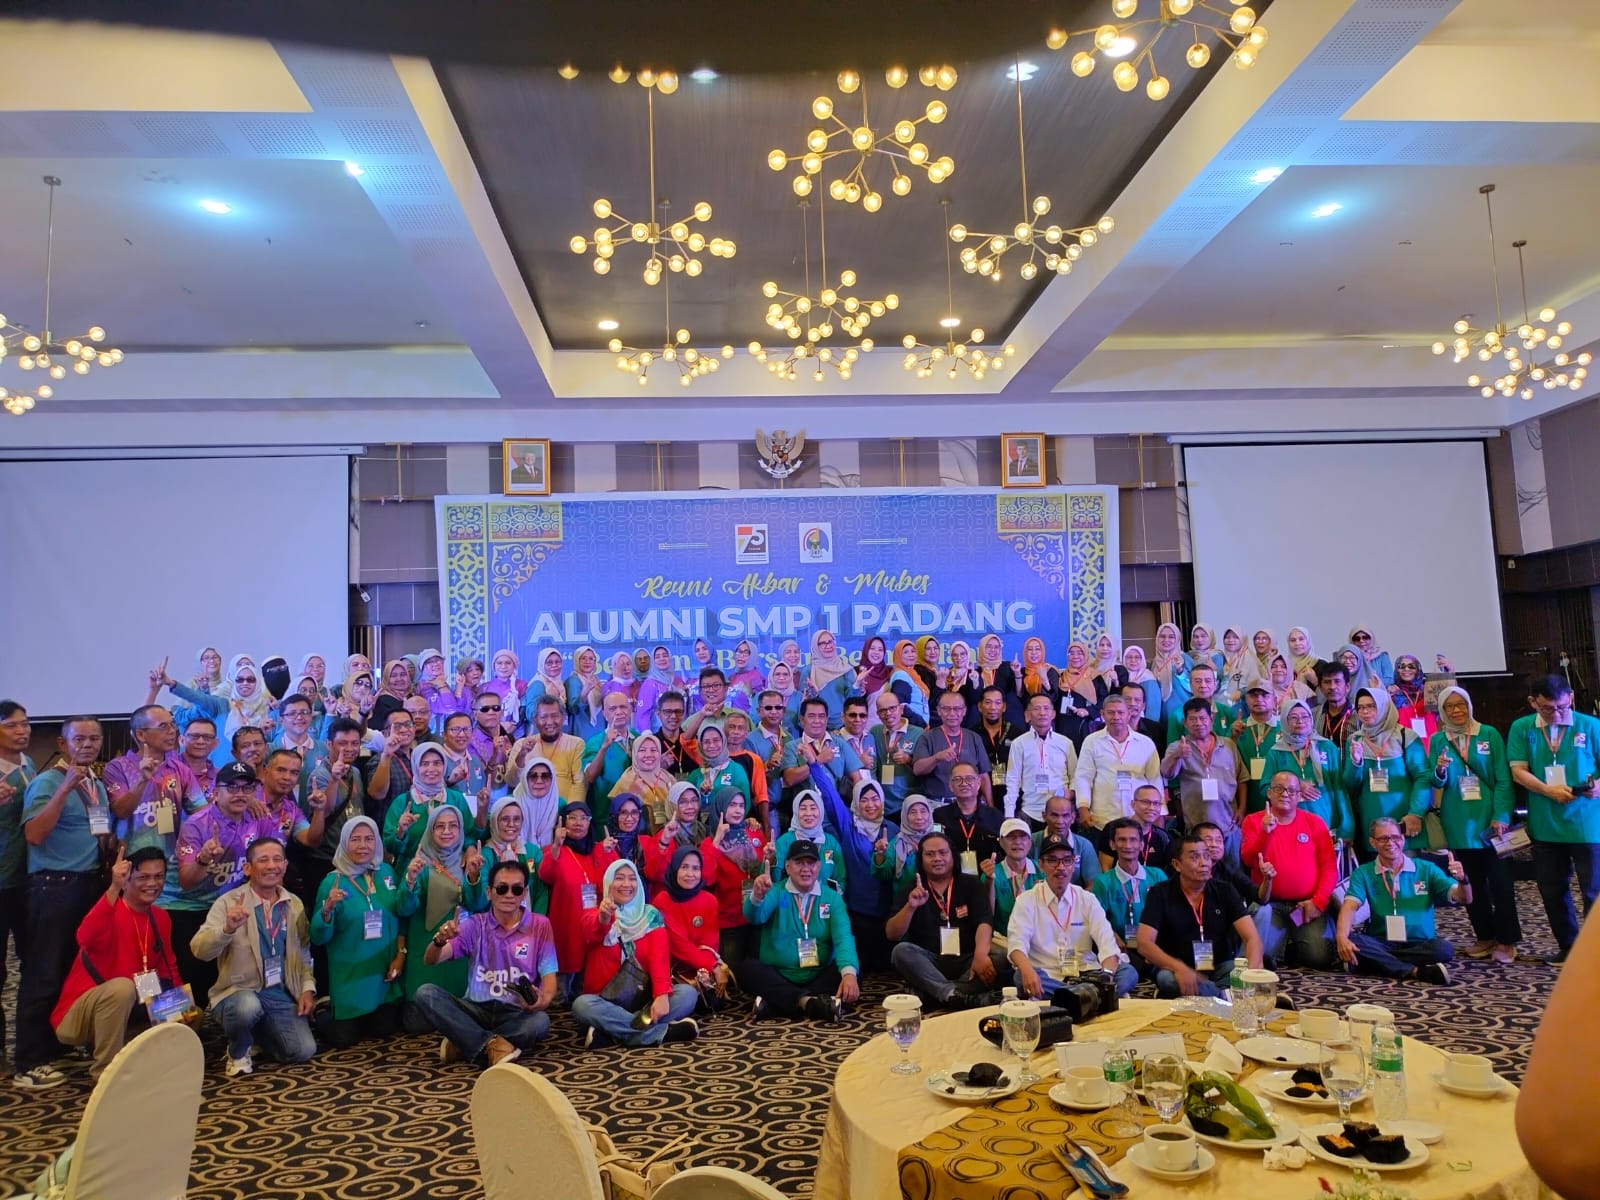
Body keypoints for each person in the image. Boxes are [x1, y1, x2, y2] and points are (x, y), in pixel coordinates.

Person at [15, 716, 112, 1090]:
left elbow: (98, 831)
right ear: (62, 743)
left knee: (77, 969)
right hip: (54, 886)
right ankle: (30, 1060)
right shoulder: (47, 782)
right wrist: (65, 788)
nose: (87, 745)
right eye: (79, 739)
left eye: (94, 738)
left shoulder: (95, 784)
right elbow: (34, 834)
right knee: (45, 971)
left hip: (89, 883)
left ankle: (58, 1042)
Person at [52, 846, 184, 1080]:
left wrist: (181, 1008)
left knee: (189, 1012)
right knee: (122, 988)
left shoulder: (161, 917)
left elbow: (168, 968)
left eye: (158, 876)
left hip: (132, 1008)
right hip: (80, 1014)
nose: (152, 883)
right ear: (127, 879)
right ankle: (106, 1075)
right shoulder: (110, 909)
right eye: (143, 877)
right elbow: (84, 937)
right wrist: (113, 887)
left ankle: (138, 1060)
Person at [191, 837, 317, 1074]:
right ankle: (237, 1050)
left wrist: (307, 989)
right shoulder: (229, 902)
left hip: (278, 992)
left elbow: (303, 952)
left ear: (285, 865)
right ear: (248, 868)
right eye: (263, 860)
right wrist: (226, 929)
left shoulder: (294, 904)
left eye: (277, 859)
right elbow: (199, 950)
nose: (271, 866)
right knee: (247, 1008)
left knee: (302, 1050)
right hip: (238, 992)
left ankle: (256, 1033)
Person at [417, 859, 557, 1068]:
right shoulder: (475, 924)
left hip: (515, 1011)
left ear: (525, 893)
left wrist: (541, 1001)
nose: (509, 895)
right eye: (501, 888)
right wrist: (439, 941)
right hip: (476, 1009)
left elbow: (549, 981)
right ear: (489, 892)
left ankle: (466, 1040)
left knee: (540, 1023)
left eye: (516, 889)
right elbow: (431, 960)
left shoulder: (540, 925)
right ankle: (491, 1044)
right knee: (425, 994)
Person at [1507, 673, 1600, 964]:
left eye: (1561, 707)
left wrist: (1597, 786)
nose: (1557, 714)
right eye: (1548, 709)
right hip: (1545, 823)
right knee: (1552, 890)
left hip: (1587, 824)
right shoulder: (1523, 728)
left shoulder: (1591, 725)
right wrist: (1548, 790)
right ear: (1533, 702)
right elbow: (1518, 771)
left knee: (1593, 892)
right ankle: (1569, 948)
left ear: (1570, 697)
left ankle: (1594, 952)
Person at [1430, 686, 1518, 964]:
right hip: (1458, 821)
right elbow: (1436, 782)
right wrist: (1440, 769)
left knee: (1501, 884)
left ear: (1469, 705)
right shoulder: (1438, 739)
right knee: (1470, 883)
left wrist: (1502, 815)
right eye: (1449, 707)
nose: (1456, 710)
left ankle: (1507, 940)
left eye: (1461, 704)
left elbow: (1503, 779)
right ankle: (1485, 936)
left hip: (1491, 821)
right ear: (1442, 711)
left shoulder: (1488, 734)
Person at [171, 761, 272, 1004]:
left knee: (231, 972)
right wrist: (204, 859)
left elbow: (272, 857)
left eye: (247, 788)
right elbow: (186, 881)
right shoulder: (197, 824)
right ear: (216, 792)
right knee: (196, 973)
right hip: (190, 905)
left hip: (232, 904)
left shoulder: (257, 818)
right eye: (232, 788)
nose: (240, 794)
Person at [571, 860, 700, 1048]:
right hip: (605, 1002)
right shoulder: (593, 914)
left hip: (644, 1000)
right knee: (581, 1005)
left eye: (632, 878)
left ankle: (614, 1033)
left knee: (687, 994)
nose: (626, 884)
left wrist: (661, 995)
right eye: (619, 878)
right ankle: (660, 1033)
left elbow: (660, 958)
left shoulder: (651, 916)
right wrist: (604, 918)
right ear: (608, 883)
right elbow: (592, 933)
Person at [311, 817, 412, 1046]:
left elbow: (401, 916)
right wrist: (327, 910)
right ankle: (324, 1009)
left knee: (384, 1030)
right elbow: (318, 937)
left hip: (382, 976)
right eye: (355, 839)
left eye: (369, 839)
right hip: (350, 978)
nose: (363, 846)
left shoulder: (385, 872)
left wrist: (400, 955)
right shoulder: (332, 882)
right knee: (344, 1039)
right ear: (344, 842)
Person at [1331, 817, 1465, 985]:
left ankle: (1374, 962)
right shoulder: (1363, 872)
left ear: (1402, 839)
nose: (1390, 843)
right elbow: (1349, 906)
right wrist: (1341, 937)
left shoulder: (1426, 868)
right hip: (1381, 941)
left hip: (1420, 943)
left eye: (1395, 837)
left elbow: (1463, 897)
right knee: (1350, 939)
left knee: (1443, 949)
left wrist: (1463, 881)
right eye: (1383, 838)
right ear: (1373, 842)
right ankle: (1416, 971)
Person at [737, 839, 860, 1020]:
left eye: (811, 863)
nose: (806, 869)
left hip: (818, 973)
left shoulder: (832, 897)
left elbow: (844, 937)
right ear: (787, 867)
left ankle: (777, 1003)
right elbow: (754, 917)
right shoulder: (776, 891)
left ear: (819, 866)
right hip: (780, 973)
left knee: (852, 971)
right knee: (747, 970)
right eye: (799, 863)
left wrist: (849, 975)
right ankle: (809, 1002)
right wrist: (757, 896)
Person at [1136, 833, 1265, 997]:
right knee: (1167, 980)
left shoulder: (1225, 890)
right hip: (1176, 968)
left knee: (1245, 971)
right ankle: (1225, 996)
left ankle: (1210, 994)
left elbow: (1252, 938)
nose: (1204, 863)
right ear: (1177, 865)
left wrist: (1251, 975)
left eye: (1206, 856)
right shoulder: (1160, 892)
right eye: (1195, 857)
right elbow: (1144, 943)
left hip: (1219, 966)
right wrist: (1180, 968)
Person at [1006, 835, 1135, 999]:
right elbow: (1016, 945)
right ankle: (1090, 997)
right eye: (1052, 860)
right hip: (1048, 974)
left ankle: (1074, 997)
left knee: (1128, 972)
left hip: (1088, 973)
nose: (1061, 867)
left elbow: (1107, 943)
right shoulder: (1027, 900)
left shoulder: (1087, 899)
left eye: (1067, 860)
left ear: (1073, 865)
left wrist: (1107, 975)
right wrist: (1027, 971)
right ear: (1041, 865)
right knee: (1020, 976)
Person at [886, 832, 999, 1008]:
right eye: (930, 854)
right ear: (921, 859)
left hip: (967, 959)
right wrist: (911, 907)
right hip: (930, 961)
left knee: (1002, 958)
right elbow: (892, 934)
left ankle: (935, 993)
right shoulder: (912, 888)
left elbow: (984, 922)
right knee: (900, 952)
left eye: (943, 853)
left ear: (953, 855)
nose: (937, 858)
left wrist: (980, 955)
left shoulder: (971, 883)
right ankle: (955, 994)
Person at [397, 807, 486, 1030]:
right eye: (440, 826)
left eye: (453, 825)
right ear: (430, 830)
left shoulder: (468, 862)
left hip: (459, 948)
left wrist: (474, 876)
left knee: (462, 1013)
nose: (447, 831)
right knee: (417, 1025)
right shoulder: (419, 863)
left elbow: (477, 905)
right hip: (425, 948)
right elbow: (404, 909)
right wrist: (410, 879)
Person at [1240, 772, 1337, 968]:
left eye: (1292, 790)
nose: (1285, 794)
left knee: (1319, 958)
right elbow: (1249, 860)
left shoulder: (1315, 822)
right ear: (1269, 793)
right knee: (1260, 956)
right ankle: (1288, 942)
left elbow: (1329, 868)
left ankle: (1289, 943)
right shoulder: (1253, 821)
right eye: (1279, 789)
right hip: (1269, 904)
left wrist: (1318, 902)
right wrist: (1265, 833)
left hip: (1306, 904)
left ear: (1300, 796)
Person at [538, 801, 619, 992]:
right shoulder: (554, 850)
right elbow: (545, 875)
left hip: (595, 926)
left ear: (590, 822)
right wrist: (556, 845)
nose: (578, 823)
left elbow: (613, 882)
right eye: (572, 818)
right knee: (560, 995)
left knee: (588, 989)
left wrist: (609, 853)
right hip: (567, 926)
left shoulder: (599, 849)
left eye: (583, 818)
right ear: (563, 822)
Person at [1344, 687, 1429, 855]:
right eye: (1360, 707)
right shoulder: (1355, 740)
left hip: (1404, 821)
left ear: (1384, 706)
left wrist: (1416, 813)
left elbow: (1423, 777)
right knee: (1376, 870)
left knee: (1407, 869)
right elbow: (1350, 785)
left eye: (1371, 706)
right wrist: (1356, 761)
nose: (1365, 711)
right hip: (1371, 822)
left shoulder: (1406, 736)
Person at [1163, 697, 1244, 862]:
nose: (1198, 723)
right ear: (1185, 723)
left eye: (1202, 718)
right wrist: (1177, 755)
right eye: (1193, 719)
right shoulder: (1177, 747)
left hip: (1229, 826)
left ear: (1211, 719)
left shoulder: (1228, 745)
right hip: (1196, 829)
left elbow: (1242, 778)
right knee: (1200, 870)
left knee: (1232, 872)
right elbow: (1167, 773)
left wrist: (1242, 808)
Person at [1073, 694, 1160, 844]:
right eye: (1111, 712)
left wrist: (1159, 813)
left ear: (1129, 714)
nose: (1116, 717)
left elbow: (1155, 779)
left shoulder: (1145, 743)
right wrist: (1083, 807)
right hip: (1102, 818)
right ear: (1102, 714)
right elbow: (1083, 777)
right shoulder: (1092, 741)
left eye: (1120, 712)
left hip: (1138, 818)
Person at [0, 700, 35, 1059]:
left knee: (33, 961)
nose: (22, 731)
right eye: (12, 725)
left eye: (25, 724)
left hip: (27, 880)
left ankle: (32, 1042)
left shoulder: (28, 765)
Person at [1262, 699, 1350, 842]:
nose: (1300, 721)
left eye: (1305, 716)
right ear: (1285, 721)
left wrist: (1347, 827)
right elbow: (1265, 787)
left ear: (1311, 718)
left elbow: (1340, 788)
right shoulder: (1276, 752)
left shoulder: (1327, 747)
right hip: (1288, 823)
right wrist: (1295, 786)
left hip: (1325, 819)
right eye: (1294, 717)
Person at [1091, 817, 1168, 980]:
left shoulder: (1157, 876)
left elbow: (1169, 916)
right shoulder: (1103, 882)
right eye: (1122, 840)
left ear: (1141, 845)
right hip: (1121, 949)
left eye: (1133, 840)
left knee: (1166, 978)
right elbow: (1097, 920)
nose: (1128, 845)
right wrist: (1112, 936)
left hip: (1154, 946)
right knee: (1127, 972)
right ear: (1112, 844)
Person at [652, 846, 733, 1000]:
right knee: (689, 998)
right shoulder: (662, 901)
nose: (690, 874)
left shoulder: (709, 900)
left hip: (701, 965)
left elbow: (710, 944)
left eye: (696, 868)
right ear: (675, 869)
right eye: (684, 867)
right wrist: (712, 967)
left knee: (713, 1000)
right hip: (671, 969)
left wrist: (705, 972)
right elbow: (679, 946)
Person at [699, 788, 769, 964]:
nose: (738, 810)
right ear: (721, 807)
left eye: (741, 805)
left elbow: (765, 871)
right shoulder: (709, 843)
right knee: (733, 974)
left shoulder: (754, 832)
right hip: (729, 923)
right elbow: (707, 878)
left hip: (756, 915)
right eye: (732, 805)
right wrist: (717, 840)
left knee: (757, 971)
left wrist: (771, 857)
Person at [382, 743, 473, 866]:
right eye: (424, 764)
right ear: (415, 766)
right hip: (412, 870)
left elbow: (469, 834)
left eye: (437, 763)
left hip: (450, 869)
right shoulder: (402, 802)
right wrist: (400, 831)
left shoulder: (456, 799)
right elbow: (389, 846)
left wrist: (470, 848)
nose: (431, 769)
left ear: (444, 766)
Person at [1004, 692, 1077, 826]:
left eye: (1046, 708)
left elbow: (1075, 776)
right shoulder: (1019, 743)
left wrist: (1071, 793)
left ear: (1053, 714)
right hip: (1031, 812)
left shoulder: (1065, 743)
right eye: (1036, 709)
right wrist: (1009, 813)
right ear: (1027, 715)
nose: (1042, 713)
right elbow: (1013, 780)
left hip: (1061, 813)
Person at [781, 698, 866, 807]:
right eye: (811, 716)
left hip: (837, 811)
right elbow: (789, 779)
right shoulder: (792, 746)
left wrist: (857, 808)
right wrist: (819, 760)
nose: (817, 721)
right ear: (802, 719)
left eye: (821, 716)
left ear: (826, 719)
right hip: (807, 812)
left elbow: (857, 778)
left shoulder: (840, 743)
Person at [507, 694, 586, 810]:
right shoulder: (521, 745)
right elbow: (512, 782)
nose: (549, 722)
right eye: (543, 717)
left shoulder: (576, 744)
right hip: (527, 811)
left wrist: (571, 813)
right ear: (535, 720)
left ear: (563, 717)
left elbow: (579, 783)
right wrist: (522, 755)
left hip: (562, 811)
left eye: (555, 716)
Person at [931, 764, 1002, 875]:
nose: (964, 783)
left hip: (987, 876)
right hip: (951, 877)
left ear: (978, 783)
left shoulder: (995, 816)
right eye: (957, 779)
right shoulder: (939, 816)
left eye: (969, 779)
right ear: (950, 786)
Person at [483, 796, 547, 913]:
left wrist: (536, 920)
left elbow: (541, 891)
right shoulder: (485, 855)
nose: (511, 824)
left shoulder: (532, 851)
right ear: (494, 822)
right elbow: (480, 900)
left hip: (529, 920)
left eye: (517, 819)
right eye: (505, 819)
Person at [773, 790, 846, 892]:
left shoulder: (831, 842)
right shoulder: (785, 841)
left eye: (813, 808)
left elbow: (841, 878)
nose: (808, 813)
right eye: (803, 808)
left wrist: (833, 898)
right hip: (792, 900)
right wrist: (771, 859)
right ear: (795, 811)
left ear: (821, 810)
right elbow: (773, 879)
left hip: (825, 901)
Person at [1032, 794, 1102, 890]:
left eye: (1065, 816)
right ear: (1044, 816)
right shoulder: (1030, 842)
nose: (1060, 821)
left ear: (1073, 817)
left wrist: (1075, 899)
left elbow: (1094, 884)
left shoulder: (1084, 846)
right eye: (1054, 815)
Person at [1231, 681, 1280, 818]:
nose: (1259, 699)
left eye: (1264, 695)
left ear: (1275, 700)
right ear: (1246, 700)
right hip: (1244, 794)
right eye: (1253, 695)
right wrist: (1233, 738)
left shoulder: (1284, 728)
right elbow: (1227, 761)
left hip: (1276, 794)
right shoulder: (1237, 728)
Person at [582, 691, 636, 814]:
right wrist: (604, 747)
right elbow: (590, 777)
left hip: (635, 813)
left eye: (623, 707)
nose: (619, 712)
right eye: (613, 709)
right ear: (605, 714)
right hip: (606, 813)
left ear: (630, 710)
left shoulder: (638, 738)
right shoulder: (595, 742)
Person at [987, 818, 1041, 940]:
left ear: (1030, 842)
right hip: (1004, 941)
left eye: (1023, 837)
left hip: (1039, 939)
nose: (1018, 842)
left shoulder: (1042, 870)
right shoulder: (992, 873)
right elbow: (988, 915)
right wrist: (990, 881)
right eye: (1011, 837)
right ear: (1001, 842)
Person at [870, 692, 919, 820]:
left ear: (901, 709)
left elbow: (925, 769)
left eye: (892, 708)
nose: (888, 713)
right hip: (883, 805)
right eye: (883, 710)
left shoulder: (919, 733)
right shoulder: (875, 732)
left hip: (909, 803)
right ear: (878, 714)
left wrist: (909, 760)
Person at [876, 795, 933, 897]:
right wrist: (880, 855)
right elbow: (884, 875)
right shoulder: (897, 842)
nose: (919, 817)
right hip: (904, 899)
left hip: (936, 898)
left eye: (923, 811)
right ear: (905, 816)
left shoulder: (939, 839)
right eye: (913, 812)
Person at [1168, 662, 1234, 743]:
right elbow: (1171, 747)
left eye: (1208, 681)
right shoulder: (1178, 715)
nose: (1203, 685)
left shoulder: (1226, 712)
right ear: (1190, 685)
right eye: (1198, 681)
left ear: (1215, 685)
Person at [1052, 642, 1099, 745]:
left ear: (1085, 655)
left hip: (1084, 724)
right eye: (1071, 653)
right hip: (1063, 725)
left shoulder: (1093, 675)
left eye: (1079, 653)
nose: (1075, 656)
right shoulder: (1062, 676)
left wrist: (1088, 711)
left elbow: (1104, 700)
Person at [1315, 660, 1357, 751]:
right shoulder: (1313, 715)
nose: (1332, 687)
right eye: (1327, 682)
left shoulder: (1358, 716)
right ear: (1320, 687)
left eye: (1337, 681)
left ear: (1347, 686)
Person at [1121, 682, 1167, 757]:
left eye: (1137, 700)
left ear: (1143, 706)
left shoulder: (1157, 730)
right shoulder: (1107, 728)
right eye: (1127, 699)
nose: (1132, 703)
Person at [1348, 626, 1395, 690]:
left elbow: (1390, 679)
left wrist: (1370, 684)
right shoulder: (1348, 658)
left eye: (1365, 637)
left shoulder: (1382, 656)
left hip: (1379, 692)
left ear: (1371, 638)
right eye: (1357, 638)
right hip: (1355, 693)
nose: (1361, 641)